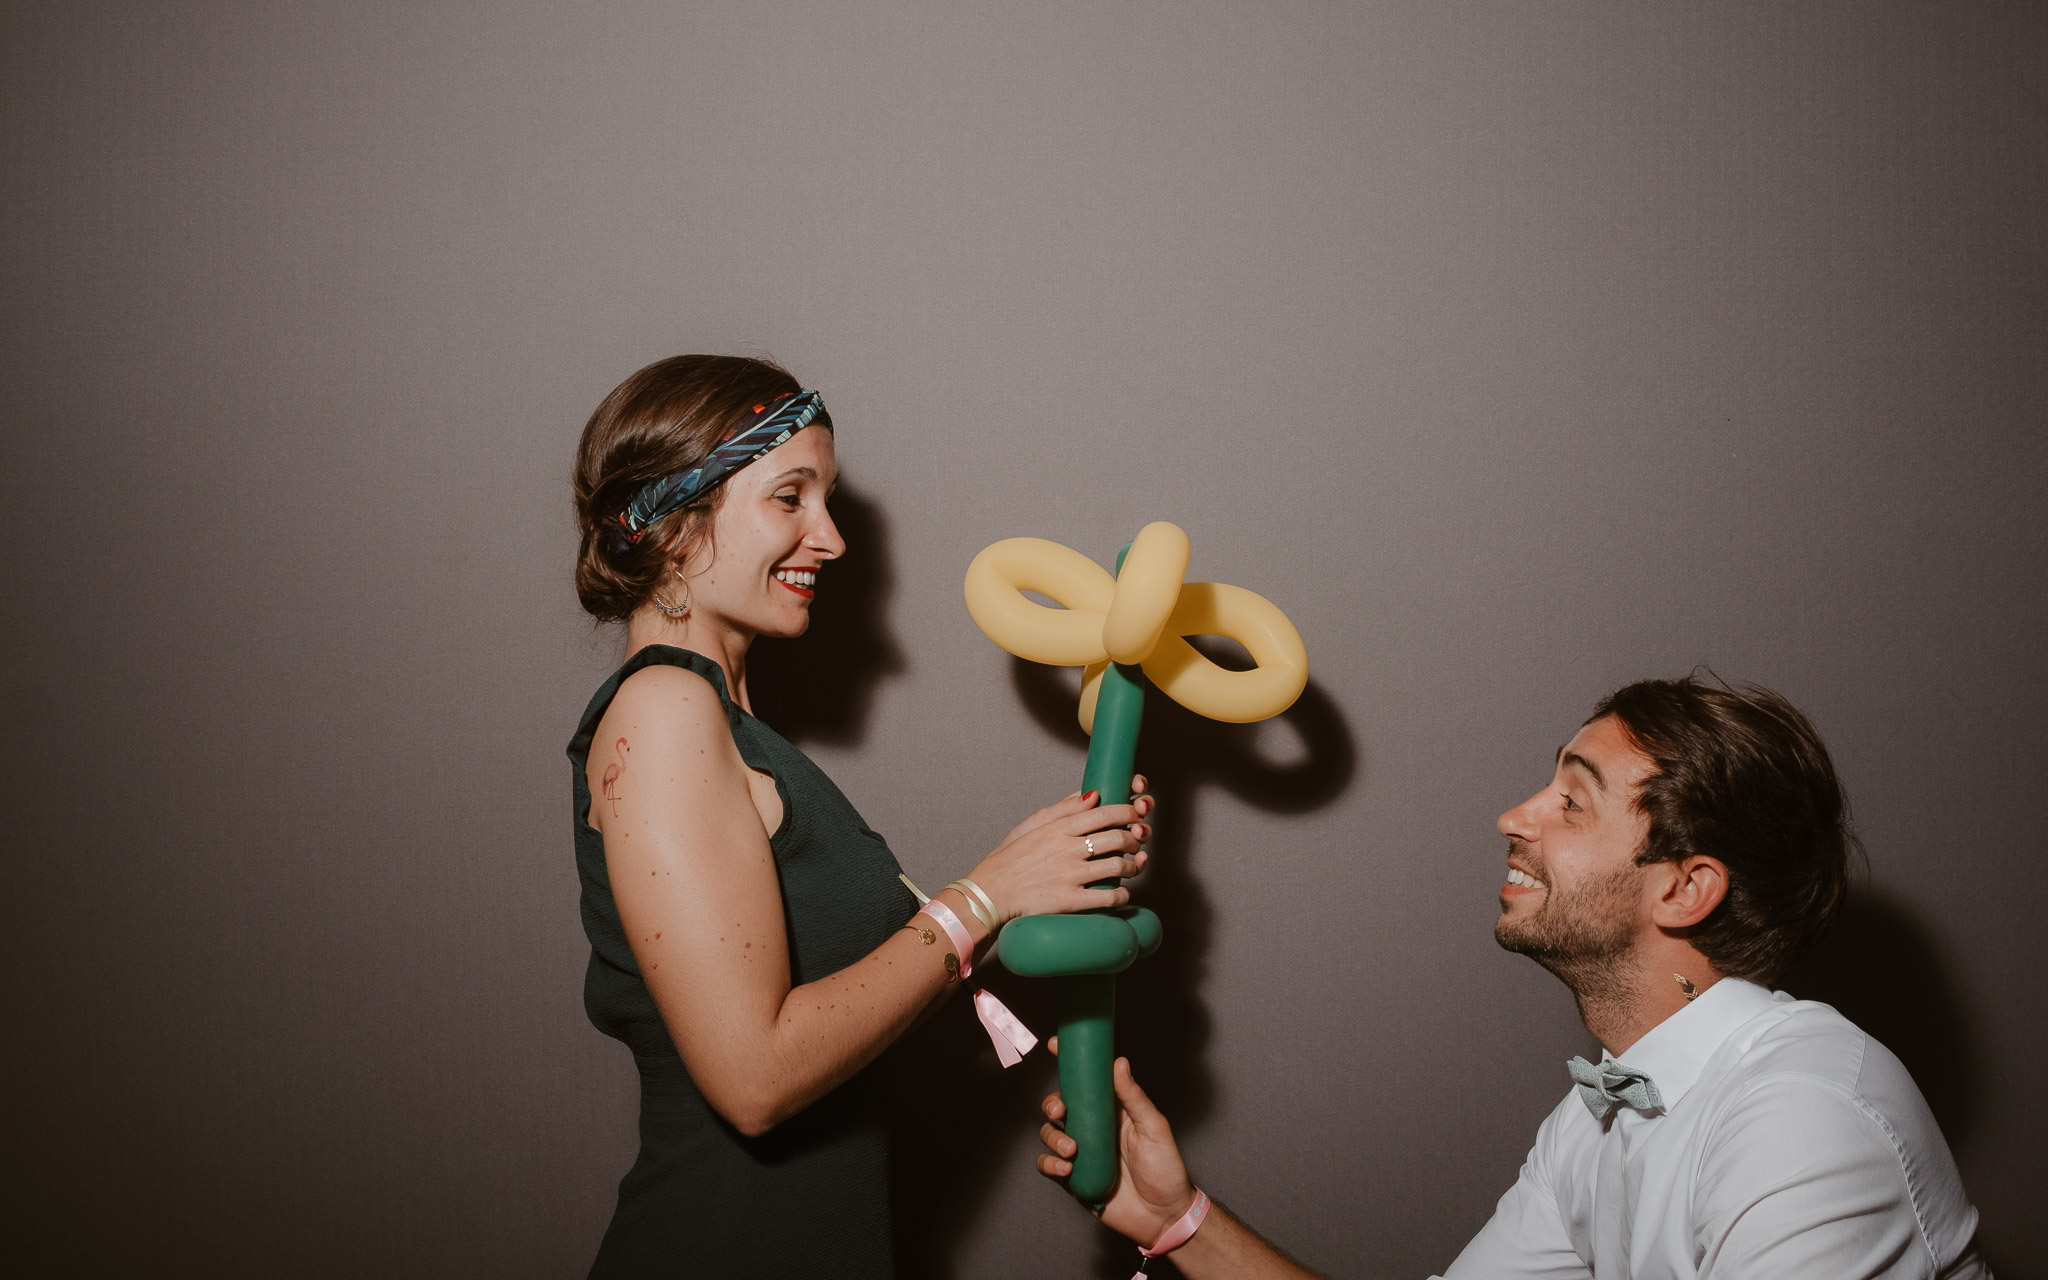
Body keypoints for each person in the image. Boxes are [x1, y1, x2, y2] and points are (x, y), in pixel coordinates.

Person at [1035, 676, 1989, 1278]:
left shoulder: (1802, 1119)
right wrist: (1179, 1217)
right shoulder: (1595, 1119)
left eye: (1572, 800)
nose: (1513, 816)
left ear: (1688, 888)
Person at [568, 354, 1155, 1278]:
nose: (832, 538)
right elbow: (755, 1079)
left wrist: (1056, 864)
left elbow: (883, 974)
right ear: (675, 523)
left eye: (827, 498)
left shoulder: (736, 732)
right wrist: (989, 893)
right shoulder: (663, 713)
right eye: (790, 497)